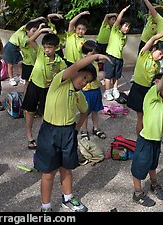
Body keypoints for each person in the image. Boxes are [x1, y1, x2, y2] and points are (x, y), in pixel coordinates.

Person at [34, 52, 111, 212]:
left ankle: (67, 198)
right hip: (50, 132)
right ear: (74, 73)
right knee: (48, 173)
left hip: (68, 133)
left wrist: (76, 128)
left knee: (66, 168)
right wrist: (96, 56)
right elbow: (77, 65)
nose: (84, 82)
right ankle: (45, 207)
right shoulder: (60, 82)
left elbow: (85, 111)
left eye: (88, 81)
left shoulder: (79, 95)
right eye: (83, 77)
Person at [130, 55, 163, 207]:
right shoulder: (151, 94)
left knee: (152, 164)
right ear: (157, 83)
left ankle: (154, 184)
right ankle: (137, 193)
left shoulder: (159, 101)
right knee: (139, 168)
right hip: (146, 140)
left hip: (156, 141)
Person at [23, 25, 67, 150]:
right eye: (45, 47)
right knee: (30, 111)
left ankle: (44, 137)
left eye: (50, 47)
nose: (47, 50)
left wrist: (55, 80)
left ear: (56, 48)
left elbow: (65, 73)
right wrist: (41, 31)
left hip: (47, 89)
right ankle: (29, 136)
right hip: (34, 85)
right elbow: (30, 41)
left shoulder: (59, 61)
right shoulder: (40, 53)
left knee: (45, 113)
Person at [127, 31, 163, 136]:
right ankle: (140, 138)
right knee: (140, 116)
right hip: (138, 89)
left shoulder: (157, 65)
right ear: (154, 49)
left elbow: (157, 79)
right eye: (160, 53)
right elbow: (152, 39)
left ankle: (146, 134)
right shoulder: (144, 55)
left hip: (149, 91)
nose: (160, 57)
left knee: (147, 115)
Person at [2, 17, 46, 87]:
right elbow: (30, 23)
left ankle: (22, 77)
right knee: (10, 64)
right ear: (27, 30)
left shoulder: (27, 36)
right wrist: (39, 20)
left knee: (20, 62)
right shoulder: (21, 31)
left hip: (18, 48)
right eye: (33, 31)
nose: (35, 32)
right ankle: (11, 79)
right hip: (11, 46)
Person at [79, 40, 106, 140]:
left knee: (95, 110)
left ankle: (96, 128)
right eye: (92, 53)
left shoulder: (95, 63)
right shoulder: (82, 63)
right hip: (85, 91)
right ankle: (84, 130)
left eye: (95, 53)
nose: (95, 56)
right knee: (85, 112)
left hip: (95, 89)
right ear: (85, 53)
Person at [103, 5, 131, 100]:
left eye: (129, 27)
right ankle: (107, 92)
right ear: (120, 26)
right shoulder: (115, 31)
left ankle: (115, 90)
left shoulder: (125, 37)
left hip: (119, 58)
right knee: (108, 75)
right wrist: (122, 11)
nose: (127, 28)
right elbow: (118, 20)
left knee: (116, 75)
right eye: (125, 26)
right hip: (110, 56)